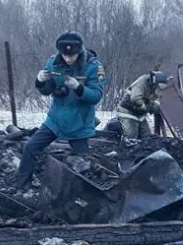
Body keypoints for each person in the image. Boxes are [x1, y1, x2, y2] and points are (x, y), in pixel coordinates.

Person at [13, 31, 106, 190]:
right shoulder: (53, 63)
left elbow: (96, 96)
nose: (68, 58)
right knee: (30, 147)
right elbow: (47, 90)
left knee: (85, 163)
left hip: (79, 123)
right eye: (65, 55)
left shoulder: (94, 67)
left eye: (72, 55)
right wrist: (41, 81)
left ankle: (88, 193)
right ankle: (22, 186)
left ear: (80, 50)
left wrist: (78, 88)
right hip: (55, 120)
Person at [116, 71, 169, 140]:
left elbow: (156, 102)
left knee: (147, 137)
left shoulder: (155, 89)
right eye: (159, 86)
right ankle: (125, 150)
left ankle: (143, 150)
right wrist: (144, 107)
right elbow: (135, 98)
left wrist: (154, 107)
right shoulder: (142, 82)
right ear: (155, 82)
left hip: (140, 115)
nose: (159, 89)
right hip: (127, 112)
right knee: (131, 138)